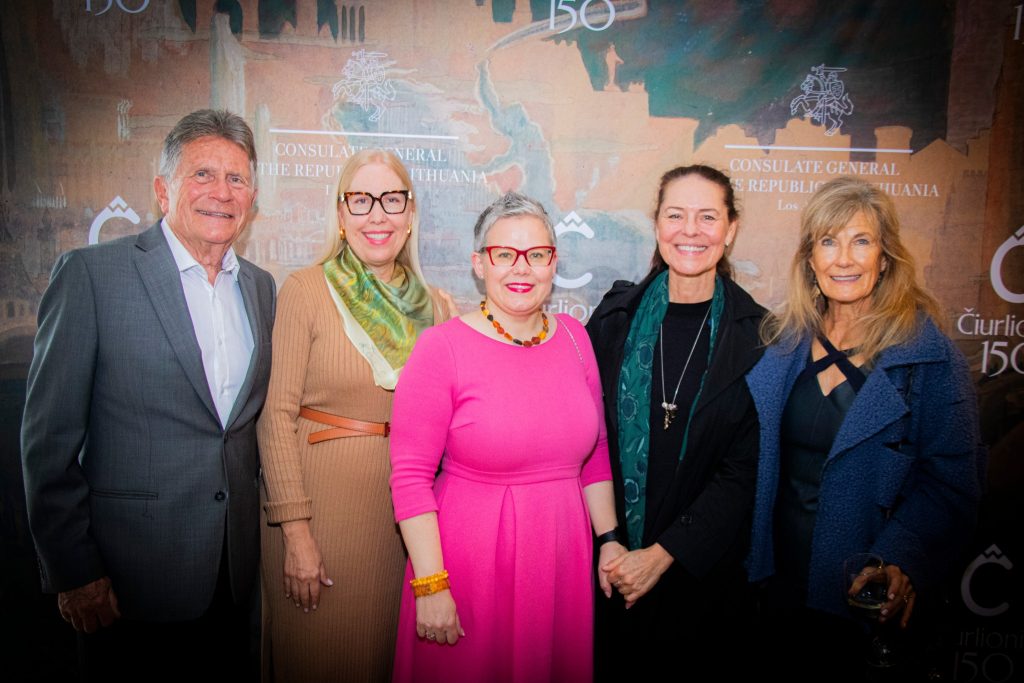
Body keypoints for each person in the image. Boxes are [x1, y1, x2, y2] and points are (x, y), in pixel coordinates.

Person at [20, 109, 275, 682]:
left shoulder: (260, 287)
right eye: (202, 174)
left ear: (252, 198)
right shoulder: (92, 276)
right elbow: (47, 440)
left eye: (236, 179)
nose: (221, 192)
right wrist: (73, 570)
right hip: (125, 583)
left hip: (232, 577)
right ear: (163, 190)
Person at [745, 176, 986, 680]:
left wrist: (899, 558)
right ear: (810, 258)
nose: (844, 259)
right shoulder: (783, 345)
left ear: (885, 257)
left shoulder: (927, 357)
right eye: (828, 242)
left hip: (862, 599)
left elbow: (952, 484)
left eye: (861, 241)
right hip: (775, 588)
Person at [388, 192, 621, 683]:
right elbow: (409, 477)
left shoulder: (576, 339)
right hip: (468, 567)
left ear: (553, 262)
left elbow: (596, 452)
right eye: (504, 254)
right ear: (480, 263)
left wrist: (609, 540)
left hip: (561, 560)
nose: (522, 268)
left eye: (536, 254)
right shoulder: (441, 348)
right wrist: (431, 585)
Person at [257, 149, 457, 682]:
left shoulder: (437, 308)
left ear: (410, 214)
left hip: (403, 522)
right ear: (342, 214)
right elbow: (275, 417)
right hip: (319, 517)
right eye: (361, 200)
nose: (377, 215)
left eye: (391, 200)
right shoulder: (305, 290)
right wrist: (296, 532)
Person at [585, 164, 765, 679]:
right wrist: (610, 541)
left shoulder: (759, 337)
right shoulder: (613, 320)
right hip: (610, 569)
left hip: (703, 582)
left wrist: (662, 555)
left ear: (730, 229)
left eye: (708, 216)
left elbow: (743, 472)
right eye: (676, 215)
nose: (691, 230)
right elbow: (589, 440)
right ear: (657, 224)